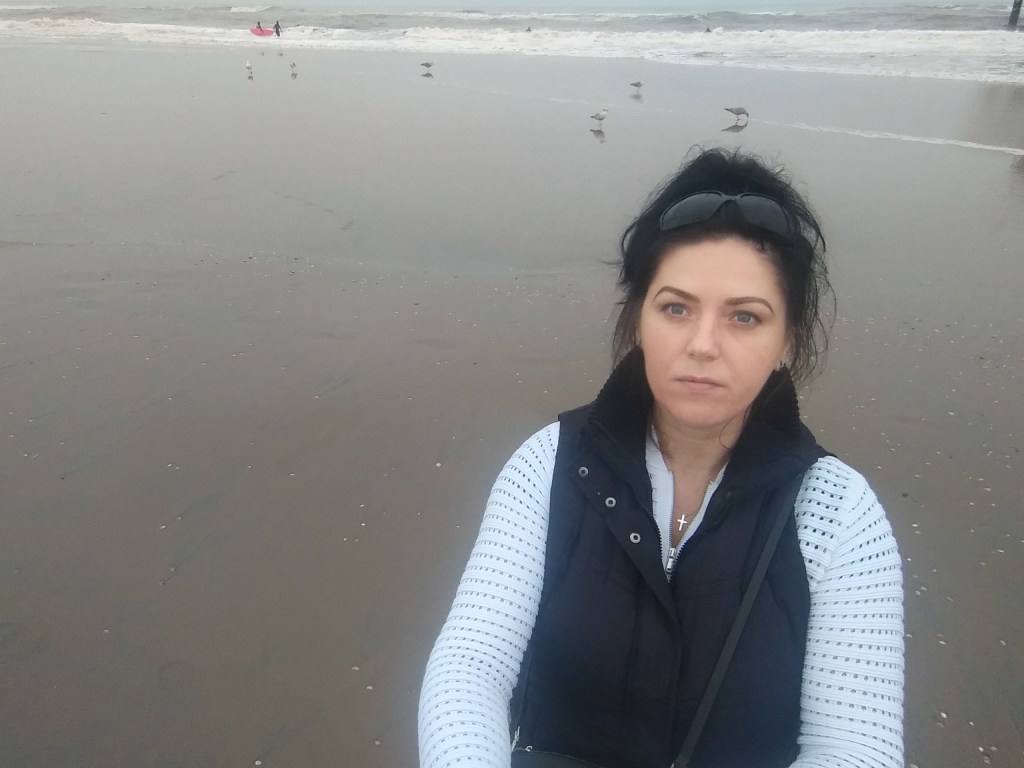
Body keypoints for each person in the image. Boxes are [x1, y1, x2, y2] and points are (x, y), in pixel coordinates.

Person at [418, 148, 905, 768]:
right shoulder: (549, 465)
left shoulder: (838, 513)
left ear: (788, 340)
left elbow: (857, 746)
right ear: (638, 319)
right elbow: (470, 665)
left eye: (745, 317)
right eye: (676, 308)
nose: (702, 345)